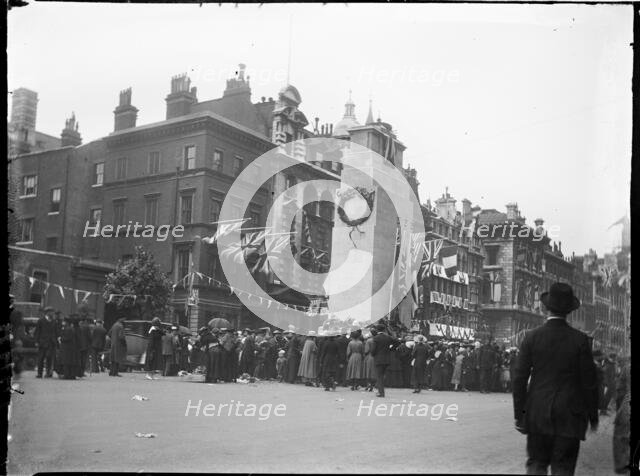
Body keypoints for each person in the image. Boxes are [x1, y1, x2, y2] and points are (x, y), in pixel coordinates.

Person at [512, 282, 599, 476]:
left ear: (546, 307)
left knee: (536, 464)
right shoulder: (580, 340)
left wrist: (520, 414)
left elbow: (519, 378)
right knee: (563, 468)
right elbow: (589, 382)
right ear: (569, 311)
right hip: (570, 416)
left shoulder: (532, 337)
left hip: (537, 412)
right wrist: (593, 415)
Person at [371, 323, 398, 397]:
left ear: (377, 330)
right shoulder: (388, 337)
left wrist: (373, 354)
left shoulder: (376, 338)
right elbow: (397, 342)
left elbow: (373, 350)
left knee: (379, 376)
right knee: (382, 375)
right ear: (384, 329)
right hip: (387, 358)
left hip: (378, 358)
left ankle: (381, 392)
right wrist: (391, 349)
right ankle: (380, 388)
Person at [35, 306, 58, 378]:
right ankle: (39, 373)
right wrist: (36, 341)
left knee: (49, 357)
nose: (51, 313)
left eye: (52, 312)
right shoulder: (41, 321)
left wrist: (56, 341)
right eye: (50, 312)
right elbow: (37, 332)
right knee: (41, 358)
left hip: (51, 342)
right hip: (42, 342)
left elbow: (56, 332)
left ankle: (48, 373)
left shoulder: (54, 321)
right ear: (46, 313)